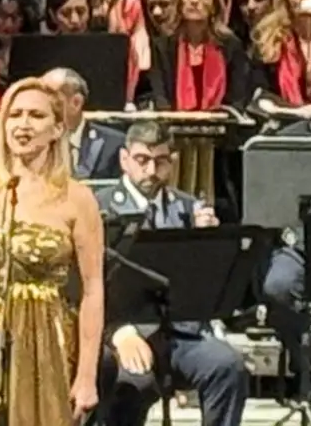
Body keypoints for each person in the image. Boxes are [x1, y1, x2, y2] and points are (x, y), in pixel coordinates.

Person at [0, 74, 108, 426]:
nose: (22, 124)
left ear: (58, 128)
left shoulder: (77, 198)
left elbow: (92, 291)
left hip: (49, 344)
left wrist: (87, 375)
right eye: (14, 115)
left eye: (36, 116)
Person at [93, 121, 250, 426]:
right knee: (133, 385)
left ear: (172, 162)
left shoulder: (187, 208)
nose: (151, 170)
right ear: (125, 159)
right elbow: (92, 283)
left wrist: (210, 245)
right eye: (142, 160)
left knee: (228, 367)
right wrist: (119, 332)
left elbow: (205, 287)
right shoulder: (100, 208)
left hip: (180, 331)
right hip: (125, 330)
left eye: (160, 161)